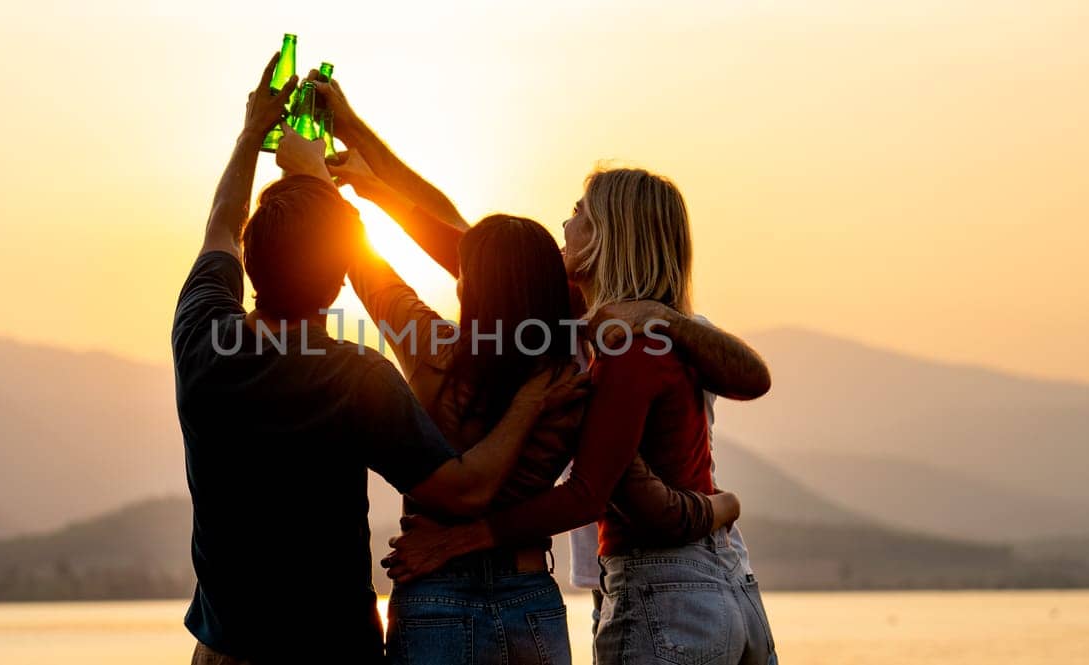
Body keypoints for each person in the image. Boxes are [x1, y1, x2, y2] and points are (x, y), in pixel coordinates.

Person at [302, 72, 773, 664]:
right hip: (699, 579)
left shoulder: (629, 341)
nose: (562, 224)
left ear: (601, 238)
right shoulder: (574, 322)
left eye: (575, 214)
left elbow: (595, 493)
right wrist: (362, 152)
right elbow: (467, 243)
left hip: (660, 587)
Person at [172, 53, 586, 665]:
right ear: (338, 282)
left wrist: (254, 135)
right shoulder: (362, 376)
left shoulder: (202, 336)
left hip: (229, 647)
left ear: (248, 263)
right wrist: (530, 399)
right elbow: (466, 489)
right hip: (349, 644)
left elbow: (219, 225)